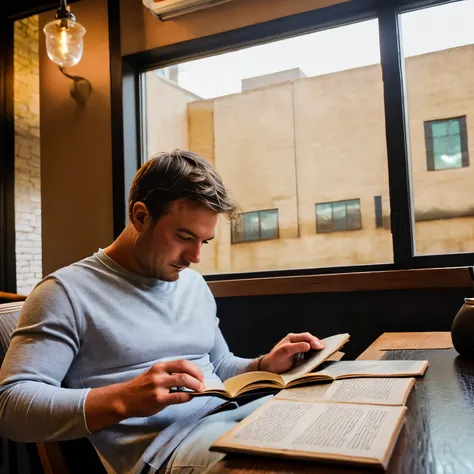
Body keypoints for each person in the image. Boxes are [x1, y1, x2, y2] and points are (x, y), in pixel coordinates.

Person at [0, 150, 324, 474]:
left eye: (205, 242)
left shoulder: (193, 285)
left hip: (235, 416)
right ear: (141, 216)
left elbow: (219, 366)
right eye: (184, 237)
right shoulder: (65, 292)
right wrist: (126, 398)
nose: (195, 257)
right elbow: (11, 407)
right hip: (169, 452)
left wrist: (265, 364)